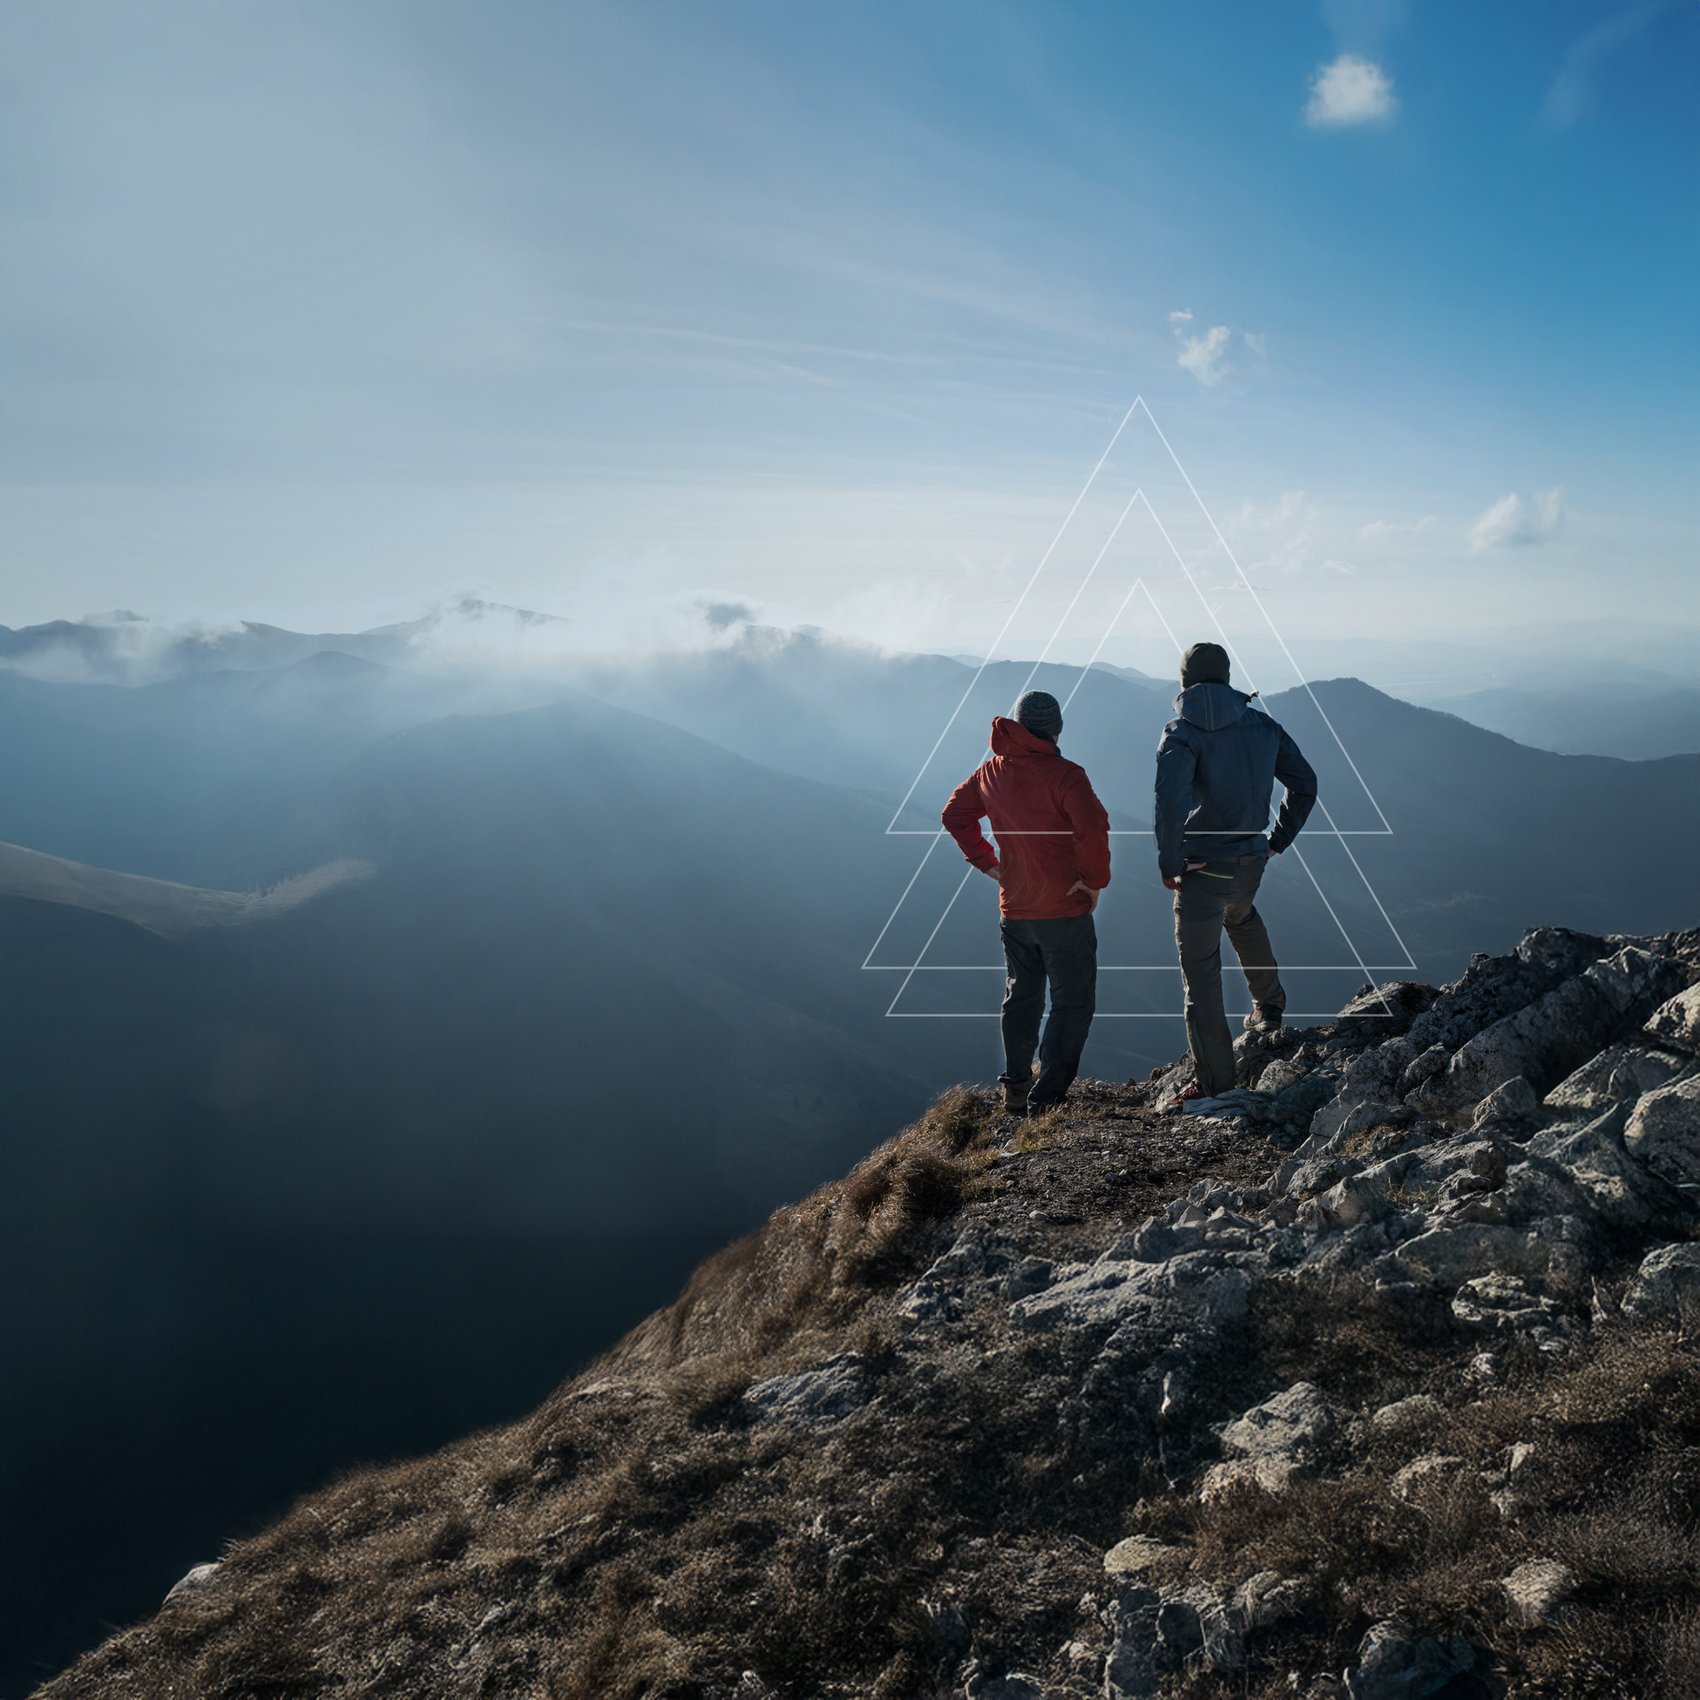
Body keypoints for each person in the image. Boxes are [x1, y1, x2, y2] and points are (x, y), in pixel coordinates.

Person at [1154, 642, 1318, 1108]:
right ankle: (1269, 1006)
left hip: (1201, 868)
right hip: (1250, 861)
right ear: (1227, 678)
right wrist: (1276, 840)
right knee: (1242, 916)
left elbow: (1169, 803)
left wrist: (1170, 863)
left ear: (1185, 682)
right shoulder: (1264, 725)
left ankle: (1215, 1086)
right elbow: (1305, 783)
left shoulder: (1180, 733)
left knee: (1201, 976)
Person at [942, 689, 1112, 1116]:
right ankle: (1048, 1096)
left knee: (1022, 996)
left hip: (1014, 909)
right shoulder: (1066, 775)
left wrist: (987, 864)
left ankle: (1016, 1086)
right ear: (1055, 729)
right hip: (1064, 909)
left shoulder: (991, 772)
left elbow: (954, 816)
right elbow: (1092, 828)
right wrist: (1094, 882)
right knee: (1072, 1002)